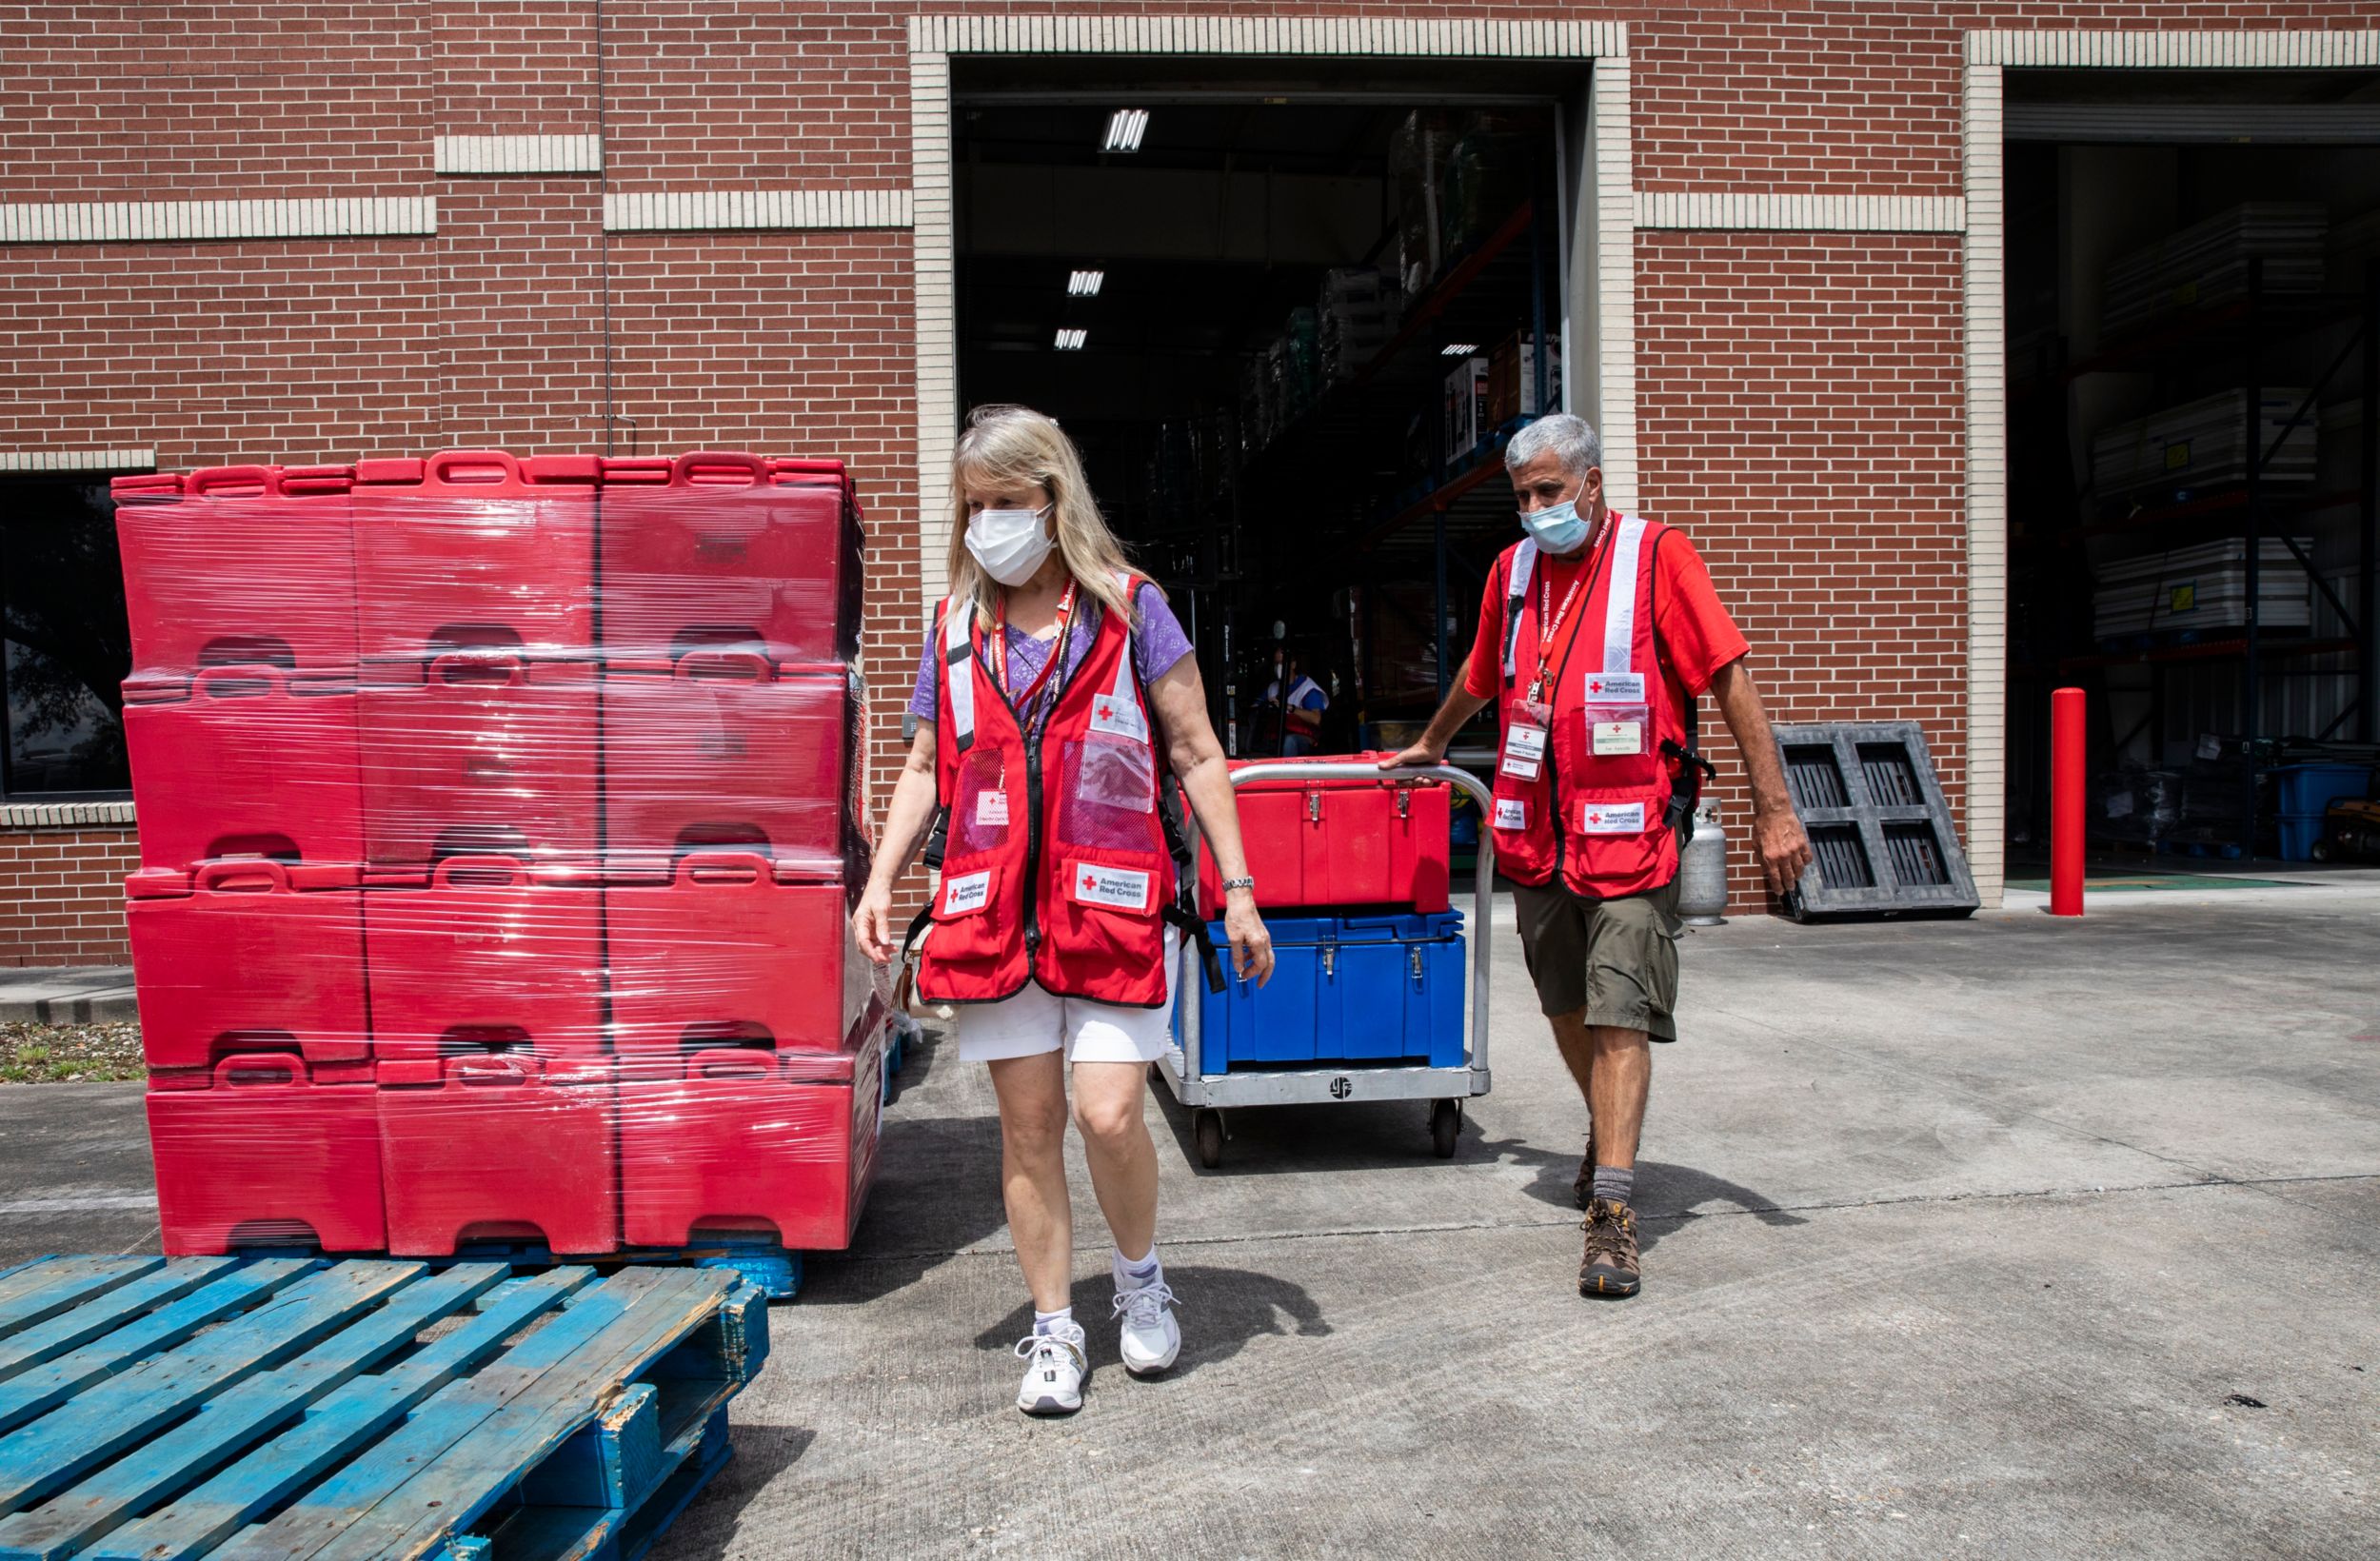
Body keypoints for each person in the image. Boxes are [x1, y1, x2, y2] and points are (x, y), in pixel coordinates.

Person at [854, 405, 1275, 1416]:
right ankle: (1052, 1328)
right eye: (972, 508)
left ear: (1052, 500)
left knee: (1108, 1110)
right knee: (1029, 1126)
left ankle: (1138, 1277)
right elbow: (922, 765)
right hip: (994, 918)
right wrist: (879, 883)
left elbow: (1196, 749)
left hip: (1116, 913)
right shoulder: (956, 629)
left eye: (1003, 503)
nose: (985, 525)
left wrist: (1240, 889)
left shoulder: (1133, 609)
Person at [1382, 413, 1812, 1301]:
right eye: (1524, 497)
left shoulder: (1658, 559)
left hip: (1630, 842)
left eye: (1550, 491)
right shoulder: (1512, 571)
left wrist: (1776, 809)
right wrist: (1431, 744)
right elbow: (1480, 675)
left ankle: (1612, 1216)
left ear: (1593, 483)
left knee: (1621, 1016)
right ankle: (1604, 1128)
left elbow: (1728, 675)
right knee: (1567, 1007)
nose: (1538, 509)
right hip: (1536, 836)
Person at [1264, 651, 1330, 756]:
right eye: (1276, 664)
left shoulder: (1307, 688)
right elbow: (1256, 706)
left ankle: (1286, 772)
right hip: (1275, 737)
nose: (1278, 667)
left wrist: (1290, 708)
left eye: (1282, 663)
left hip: (1302, 738)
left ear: (1293, 664)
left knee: (1289, 742)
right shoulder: (1273, 688)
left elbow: (1316, 719)